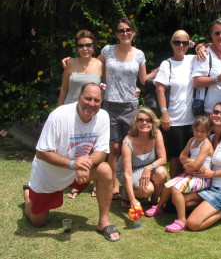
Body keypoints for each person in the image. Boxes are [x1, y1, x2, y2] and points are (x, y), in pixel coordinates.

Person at [23, 83, 121, 242]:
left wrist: (83, 163)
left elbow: (101, 153)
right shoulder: (59, 115)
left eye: (96, 100)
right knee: (38, 221)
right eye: (88, 98)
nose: (91, 104)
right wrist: (73, 164)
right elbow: (41, 152)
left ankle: (103, 222)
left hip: (76, 171)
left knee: (104, 170)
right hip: (49, 175)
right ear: (79, 98)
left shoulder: (102, 116)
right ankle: (28, 196)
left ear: (101, 102)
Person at [98, 18, 158, 199]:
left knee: (129, 146)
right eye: (120, 30)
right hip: (109, 104)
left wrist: (162, 68)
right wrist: (73, 62)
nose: (124, 33)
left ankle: (127, 182)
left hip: (131, 106)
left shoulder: (139, 54)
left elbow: (143, 79)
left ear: (133, 32)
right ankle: (113, 183)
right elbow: (92, 66)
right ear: (116, 34)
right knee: (114, 148)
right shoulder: (107, 51)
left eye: (128, 30)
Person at [144, 116, 214, 233]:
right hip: (191, 174)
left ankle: (182, 220)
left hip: (201, 178)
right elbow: (182, 157)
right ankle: (159, 207)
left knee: (175, 189)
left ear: (208, 132)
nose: (199, 134)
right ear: (193, 129)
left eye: (203, 131)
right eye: (197, 130)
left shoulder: (206, 145)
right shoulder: (192, 140)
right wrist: (190, 163)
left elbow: (195, 166)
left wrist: (188, 164)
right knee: (168, 184)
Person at [58, 30, 103, 199]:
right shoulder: (71, 63)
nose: (85, 48)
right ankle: (74, 182)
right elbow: (64, 88)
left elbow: (105, 87)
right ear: (77, 48)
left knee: (89, 147)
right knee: (71, 148)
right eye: (81, 45)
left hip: (90, 112)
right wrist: (58, 108)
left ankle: (92, 182)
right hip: (71, 111)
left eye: (88, 45)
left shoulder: (99, 64)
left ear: (93, 47)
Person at [184, 102, 221, 231]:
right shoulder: (208, 137)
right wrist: (191, 165)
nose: (218, 115)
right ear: (211, 115)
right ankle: (209, 206)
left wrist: (213, 174)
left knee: (193, 224)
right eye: (216, 112)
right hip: (209, 186)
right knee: (180, 201)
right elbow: (194, 159)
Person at [154, 30, 196, 178]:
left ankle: (186, 191)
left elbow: (208, 48)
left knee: (192, 157)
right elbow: (160, 90)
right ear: (171, 44)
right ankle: (172, 192)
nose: (181, 45)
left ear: (189, 44)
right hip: (175, 119)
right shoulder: (167, 64)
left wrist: (202, 46)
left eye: (185, 42)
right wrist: (164, 114)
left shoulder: (193, 59)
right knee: (176, 157)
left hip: (193, 119)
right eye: (177, 42)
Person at [116, 107, 167, 209]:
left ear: (153, 122)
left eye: (148, 120)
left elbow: (163, 158)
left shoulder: (156, 134)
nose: (144, 123)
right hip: (129, 170)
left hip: (147, 167)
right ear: (136, 122)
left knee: (162, 172)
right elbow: (127, 173)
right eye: (140, 120)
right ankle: (126, 193)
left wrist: (148, 168)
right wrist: (132, 200)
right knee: (147, 190)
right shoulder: (128, 141)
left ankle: (154, 200)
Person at [192, 19, 221, 115]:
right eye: (217, 33)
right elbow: (196, 82)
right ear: (211, 34)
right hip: (210, 111)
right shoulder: (204, 54)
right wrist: (217, 78)